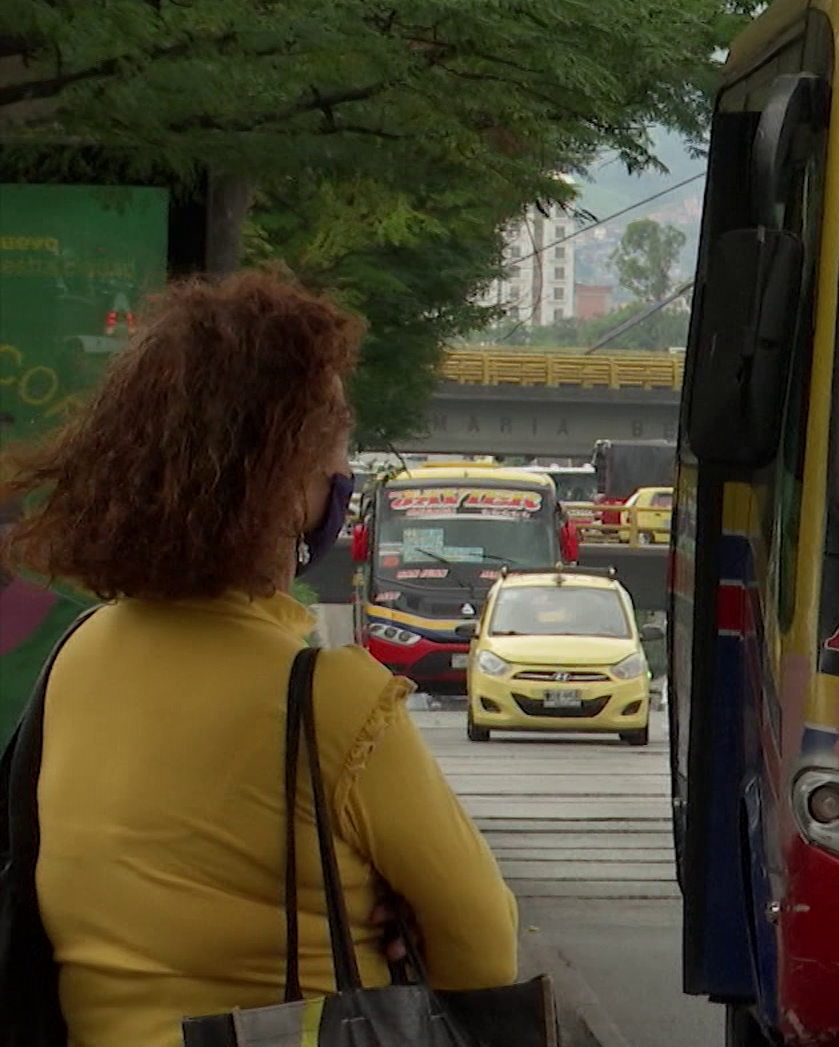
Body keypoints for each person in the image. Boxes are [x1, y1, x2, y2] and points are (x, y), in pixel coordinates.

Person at [0, 271, 519, 1047]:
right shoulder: (330, 696)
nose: (346, 468)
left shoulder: (77, 657)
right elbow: (485, 952)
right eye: (338, 437)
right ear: (286, 480)